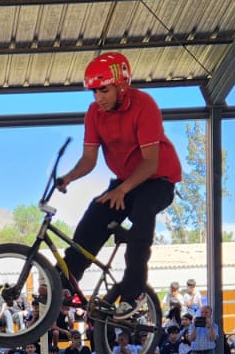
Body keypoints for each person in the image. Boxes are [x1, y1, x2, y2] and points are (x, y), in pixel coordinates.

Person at [53, 51, 182, 318]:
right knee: (95, 213)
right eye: (94, 92)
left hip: (158, 180)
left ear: (121, 85)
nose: (98, 98)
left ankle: (133, 294)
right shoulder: (94, 113)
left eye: (104, 90)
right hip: (126, 182)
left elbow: (150, 163)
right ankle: (65, 281)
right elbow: (89, 159)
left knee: (142, 214)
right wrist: (68, 178)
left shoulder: (144, 105)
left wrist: (122, 190)